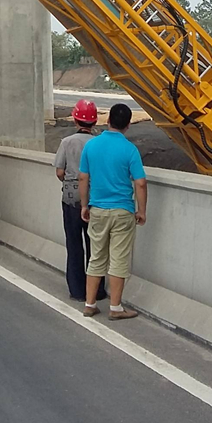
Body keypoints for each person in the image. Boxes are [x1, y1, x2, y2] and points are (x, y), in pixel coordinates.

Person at [79, 102, 147, 319]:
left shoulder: (91, 146)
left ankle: (90, 304)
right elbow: (141, 183)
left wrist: (84, 204)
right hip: (123, 210)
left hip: (97, 208)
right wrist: (141, 210)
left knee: (96, 257)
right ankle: (115, 308)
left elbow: (83, 177)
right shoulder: (130, 149)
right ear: (128, 125)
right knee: (118, 259)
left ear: (107, 121)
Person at [53, 99, 106, 303]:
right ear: (94, 122)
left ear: (75, 119)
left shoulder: (66, 142)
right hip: (96, 198)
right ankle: (97, 290)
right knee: (95, 246)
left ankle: (76, 290)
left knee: (74, 245)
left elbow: (59, 172)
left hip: (71, 199)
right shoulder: (99, 142)